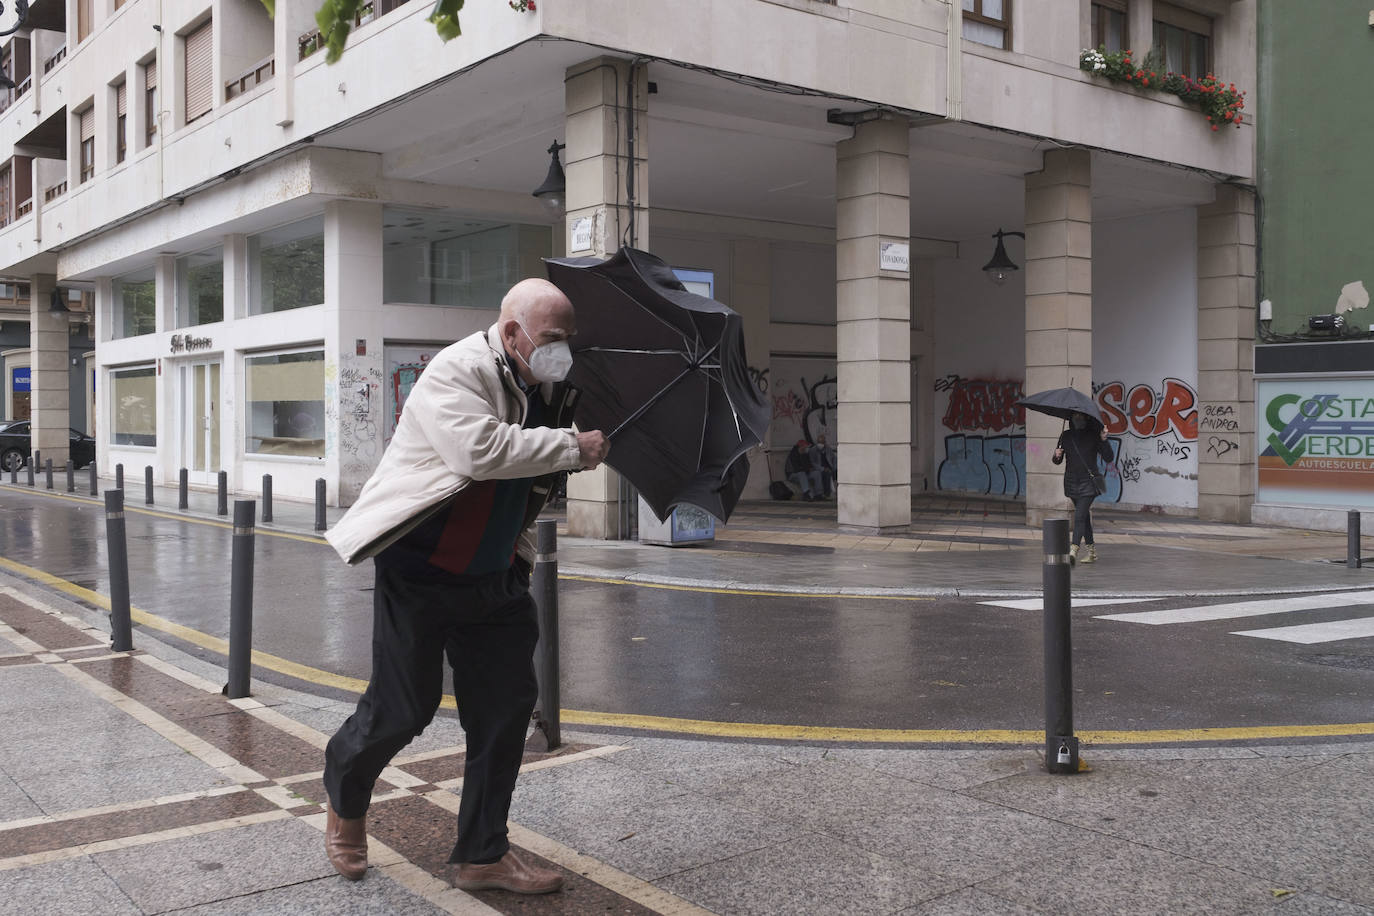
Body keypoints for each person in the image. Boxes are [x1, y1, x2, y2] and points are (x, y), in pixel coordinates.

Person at [320, 278, 610, 895]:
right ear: (512, 334)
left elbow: (527, 487)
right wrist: (568, 447)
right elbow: (478, 451)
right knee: (403, 710)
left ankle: (482, 853)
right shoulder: (458, 370)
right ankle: (345, 796)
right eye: (552, 339)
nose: (563, 351)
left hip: (495, 575)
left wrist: (521, 555)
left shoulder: (549, 389)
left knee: (505, 711)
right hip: (420, 569)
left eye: (568, 340)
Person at [1051, 411, 1113, 564]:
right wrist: (1056, 455)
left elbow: (1109, 457)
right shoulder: (1065, 436)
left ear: (1087, 418)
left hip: (1089, 482)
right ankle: (1091, 552)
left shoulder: (1094, 435)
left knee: (1079, 516)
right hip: (1071, 481)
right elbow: (1057, 461)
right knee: (1083, 517)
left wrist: (1104, 439)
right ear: (1071, 418)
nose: (1078, 418)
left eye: (1081, 416)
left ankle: (1074, 549)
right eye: (1075, 416)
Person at [811, 432, 836, 499]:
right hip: (820, 468)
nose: (821, 444)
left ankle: (830, 493)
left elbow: (834, 458)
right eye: (820, 442)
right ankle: (827, 494)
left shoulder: (828, 448)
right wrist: (822, 468)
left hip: (829, 467)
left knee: (831, 472)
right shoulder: (813, 450)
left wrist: (834, 466)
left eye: (822, 442)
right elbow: (812, 463)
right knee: (827, 473)